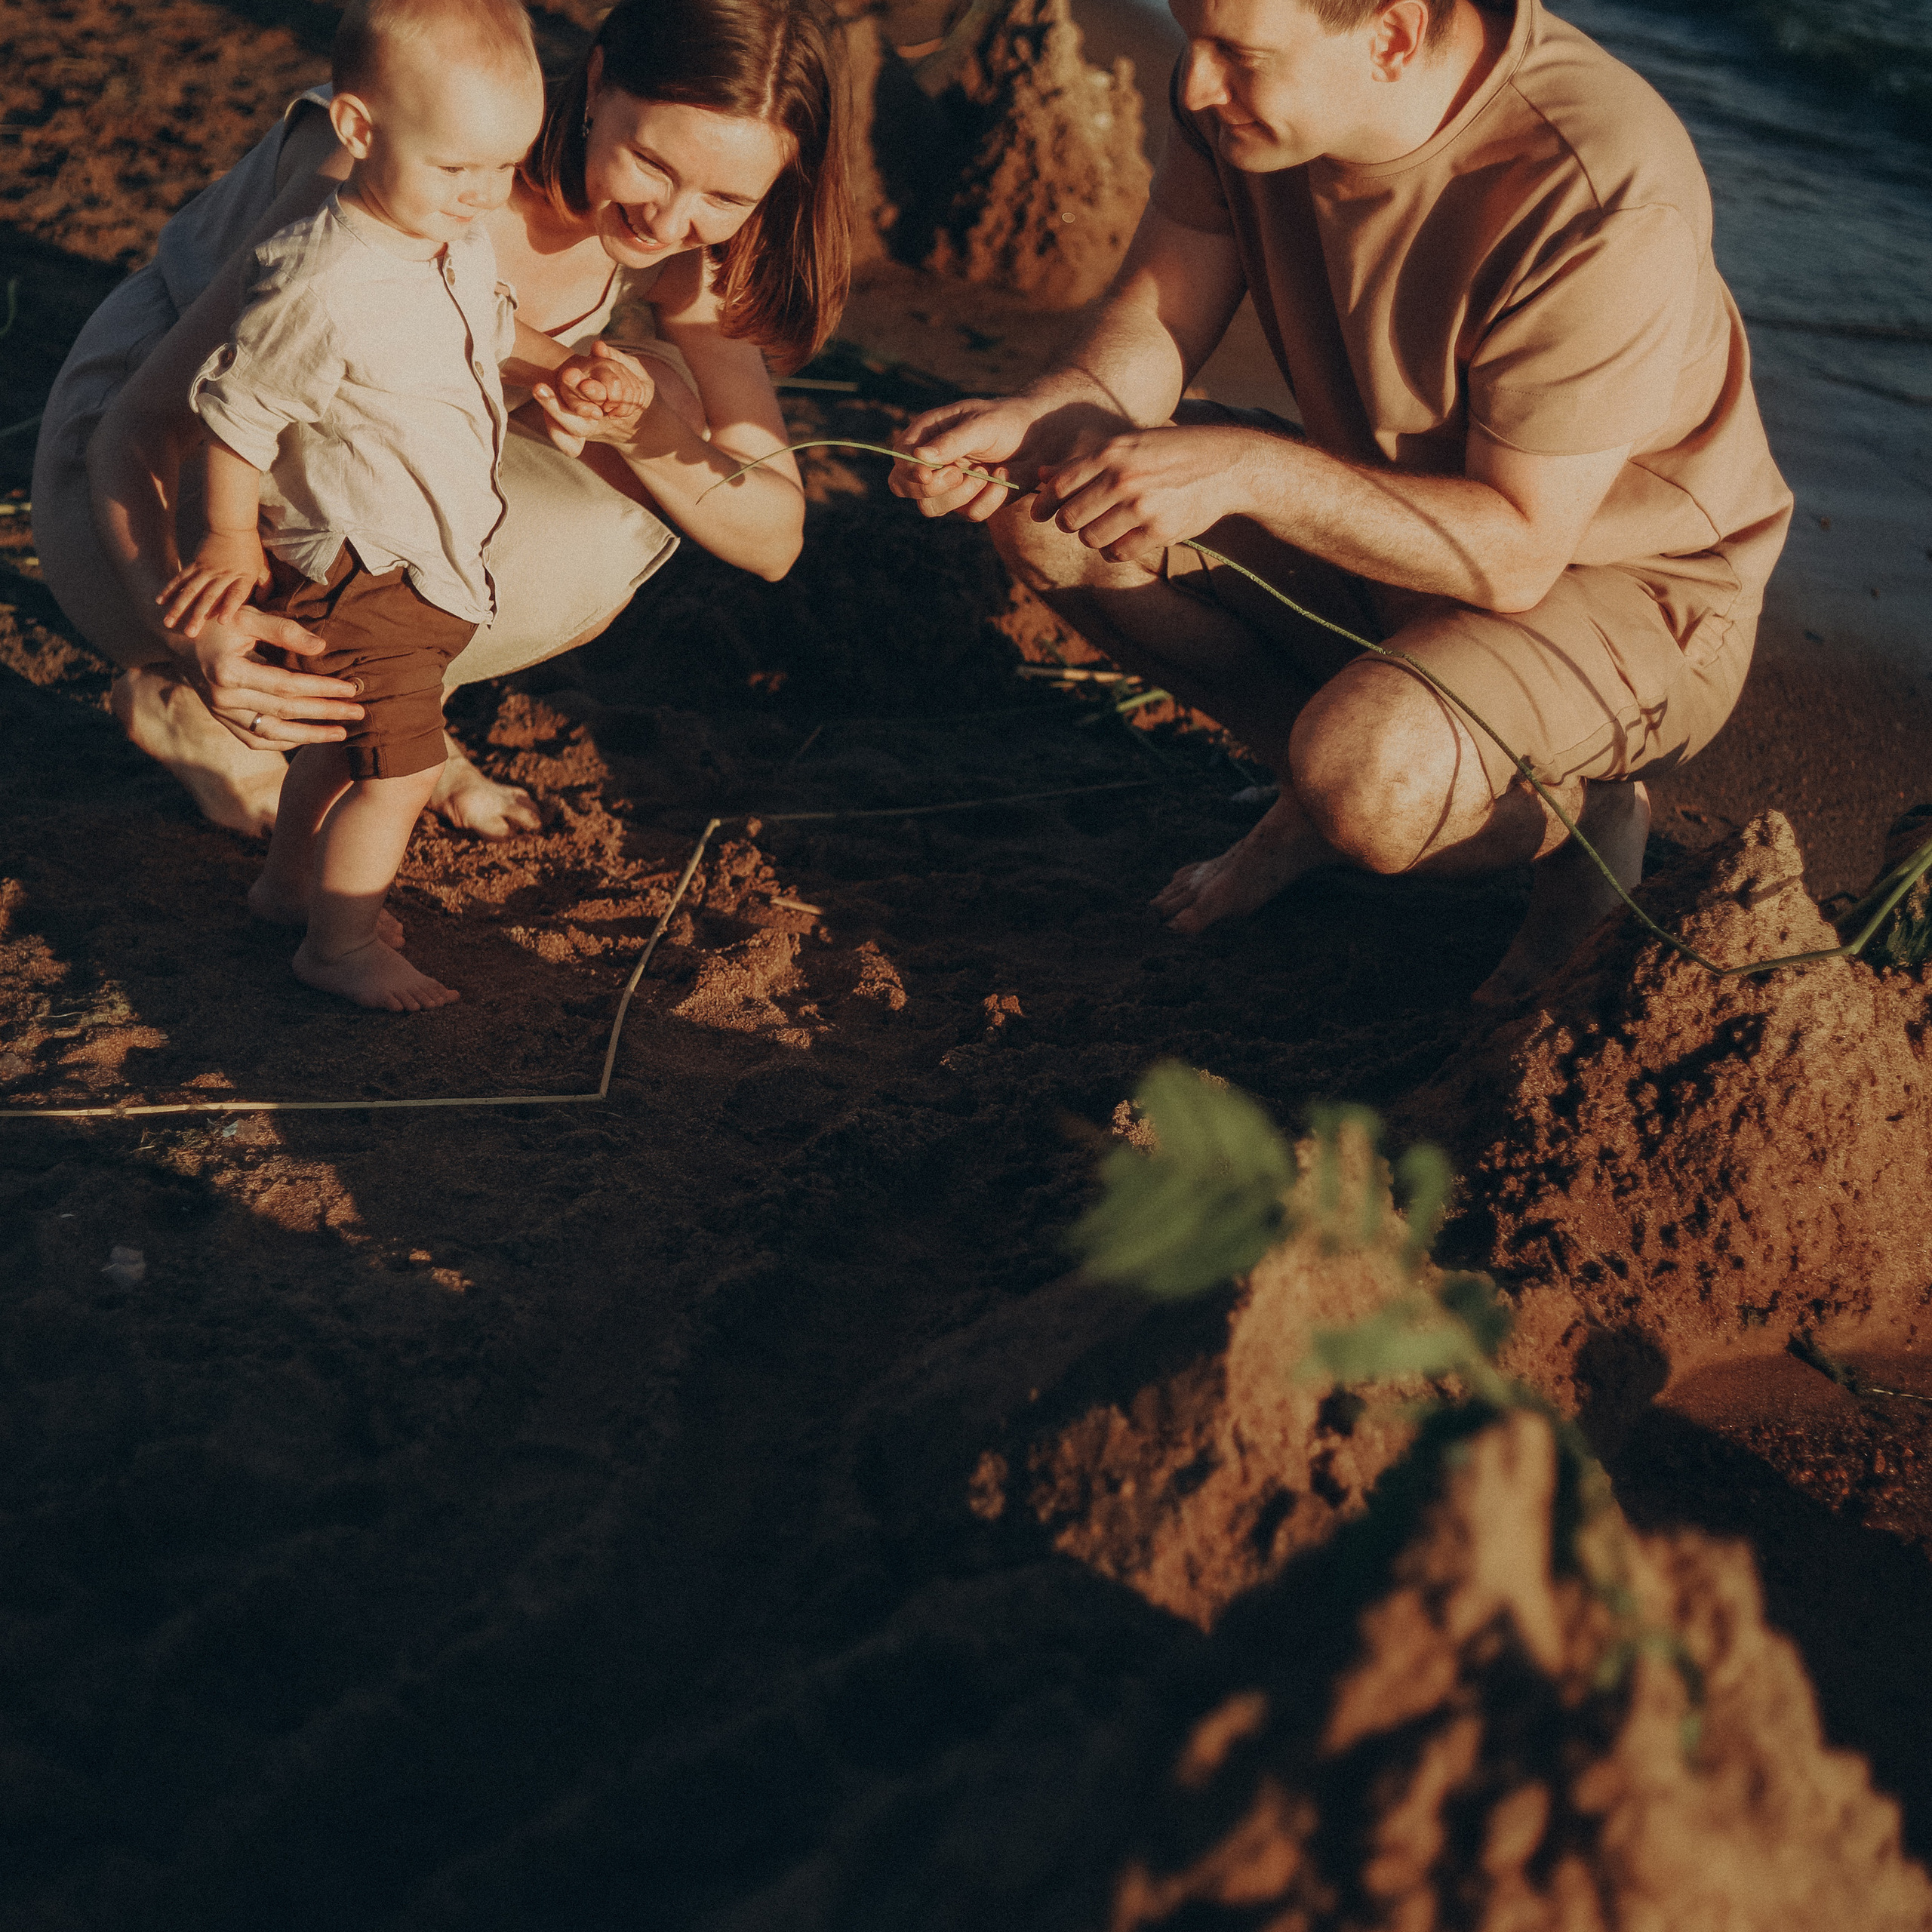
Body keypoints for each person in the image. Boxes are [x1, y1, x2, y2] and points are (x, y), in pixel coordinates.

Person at [890, 0, 1793, 1004]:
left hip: (1627, 587)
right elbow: (1145, 336)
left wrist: (1247, 472)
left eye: (1239, 55)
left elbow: (1519, 553)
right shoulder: (1239, 102)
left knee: (1370, 778)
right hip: (1397, 536)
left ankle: (1585, 819)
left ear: (1394, 35)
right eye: (1194, 39)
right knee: (1050, 510)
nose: (1192, 85)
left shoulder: (1597, 194)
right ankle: (1302, 797)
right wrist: (1033, 420)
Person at [34, 0, 849, 841]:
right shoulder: (400, 152)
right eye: (650, 162)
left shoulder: (679, 256)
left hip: (325, 481)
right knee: (408, 423)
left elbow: (772, 534)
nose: (672, 222)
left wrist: (643, 431)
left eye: (726, 197)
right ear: (599, 81)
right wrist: (196, 638)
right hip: (147, 502)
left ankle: (392, 720)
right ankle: (205, 701)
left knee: (657, 414)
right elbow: (141, 427)